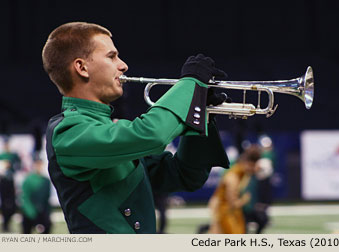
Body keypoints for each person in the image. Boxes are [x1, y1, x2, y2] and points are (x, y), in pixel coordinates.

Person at [42, 22, 230, 234]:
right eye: (111, 56)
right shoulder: (68, 131)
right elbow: (152, 135)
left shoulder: (106, 126)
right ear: (82, 67)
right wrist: (189, 87)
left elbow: (185, 175)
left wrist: (200, 111)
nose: (123, 65)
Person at [208, 145, 261, 234]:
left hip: (229, 210)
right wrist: (244, 200)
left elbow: (252, 170)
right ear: (246, 163)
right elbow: (233, 203)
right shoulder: (233, 177)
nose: (253, 169)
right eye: (252, 165)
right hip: (224, 210)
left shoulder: (243, 171)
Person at [20, 158, 52, 234]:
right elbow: (25, 197)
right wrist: (31, 212)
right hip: (30, 213)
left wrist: (47, 212)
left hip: (42, 213)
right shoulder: (29, 180)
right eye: (37, 164)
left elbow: (47, 198)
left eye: (40, 164)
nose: (39, 166)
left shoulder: (46, 181)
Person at [0, 139, 21, 232]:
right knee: (6, 204)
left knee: (12, 204)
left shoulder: (13, 155)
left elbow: (19, 165)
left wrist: (11, 166)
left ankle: (8, 223)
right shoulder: (2, 155)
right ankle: (5, 224)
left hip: (11, 181)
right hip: (3, 182)